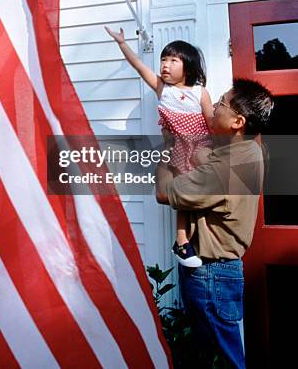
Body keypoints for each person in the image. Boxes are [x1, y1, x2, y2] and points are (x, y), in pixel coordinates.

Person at [156, 78, 274, 369]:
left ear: (238, 121)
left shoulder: (225, 169)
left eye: (221, 103)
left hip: (211, 273)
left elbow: (163, 192)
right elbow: (207, 155)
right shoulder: (249, 150)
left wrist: (166, 150)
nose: (214, 107)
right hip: (218, 271)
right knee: (217, 354)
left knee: (221, 360)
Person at [105, 27, 213, 267]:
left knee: (200, 196)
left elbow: (212, 122)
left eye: (173, 60)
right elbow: (138, 66)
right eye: (163, 59)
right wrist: (122, 44)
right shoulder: (163, 89)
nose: (165, 65)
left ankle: (196, 241)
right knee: (180, 196)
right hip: (177, 150)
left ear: (188, 66)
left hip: (200, 148)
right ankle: (182, 240)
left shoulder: (199, 92)